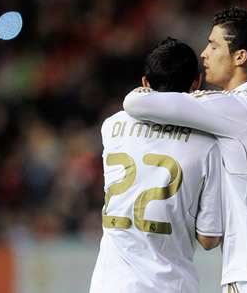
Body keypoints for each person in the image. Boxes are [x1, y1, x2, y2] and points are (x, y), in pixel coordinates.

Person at [124, 7, 247, 292]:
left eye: (214, 45)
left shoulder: (237, 109)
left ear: (240, 57)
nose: (204, 54)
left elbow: (137, 104)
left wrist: (143, 88)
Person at [89, 37, 223, 293]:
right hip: (170, 286)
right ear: (197, 82)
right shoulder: (208, 144)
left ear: (145, 83)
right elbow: (209, 238)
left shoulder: (111, 127)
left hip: (109, 286)